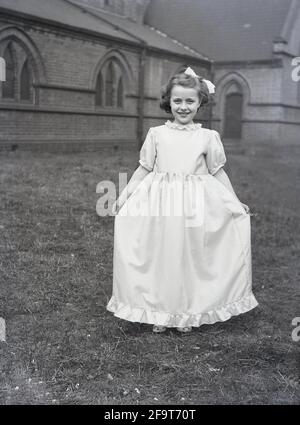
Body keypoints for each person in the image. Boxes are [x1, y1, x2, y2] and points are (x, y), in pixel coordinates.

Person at [107, 66, 258, 333]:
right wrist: (124, 195)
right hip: (161, 206)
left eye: (190, 101)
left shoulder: (207, 137)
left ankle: (186, 312)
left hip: (194, 208)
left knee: (189, 256)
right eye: (178, 101)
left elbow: (217, 172)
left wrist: (234, 201)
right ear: (169, 102)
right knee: (161, 255)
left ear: (200, 103)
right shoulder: (157, 134)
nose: (184, 107)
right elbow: (144, 169)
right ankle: (159, 311)